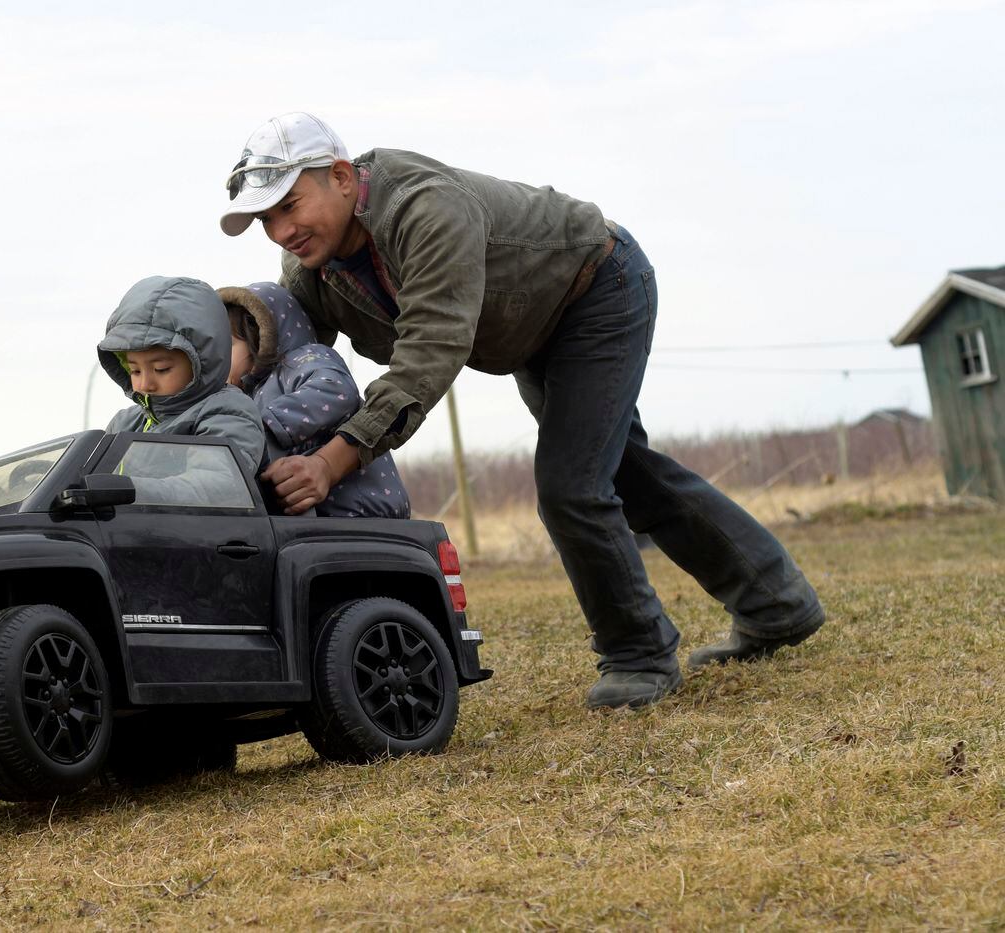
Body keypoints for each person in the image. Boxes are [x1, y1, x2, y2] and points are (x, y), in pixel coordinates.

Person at [218, 112, 824, 710]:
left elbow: (430, 352)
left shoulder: (424, 209)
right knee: (627, 473)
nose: (282, 231)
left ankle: (638, 654)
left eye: (290, 205)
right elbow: (289, 348)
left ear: (343, 178)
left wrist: (332, 461)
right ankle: (777, 605)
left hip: (596, 289)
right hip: (530, 335)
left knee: (572, 486)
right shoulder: (310, 264)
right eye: (267, 219)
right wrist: (213, 366)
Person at [218, 281, 410, 519]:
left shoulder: (304, 359)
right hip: (323, 519)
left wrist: (266, 423)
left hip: (366, 515)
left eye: (228, 344)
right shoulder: (252, 393)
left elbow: (336, 391)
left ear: (260, 334)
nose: (218, 357)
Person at [98, 276, 265, 501]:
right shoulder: (124, 423)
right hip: (131, 532)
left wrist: (127, 491)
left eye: (161, 369)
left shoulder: (227, 412)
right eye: (135, 371)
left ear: (202, 360)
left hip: (205, 534)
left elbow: (218, 485)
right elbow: (92, 477)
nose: (145, 384)